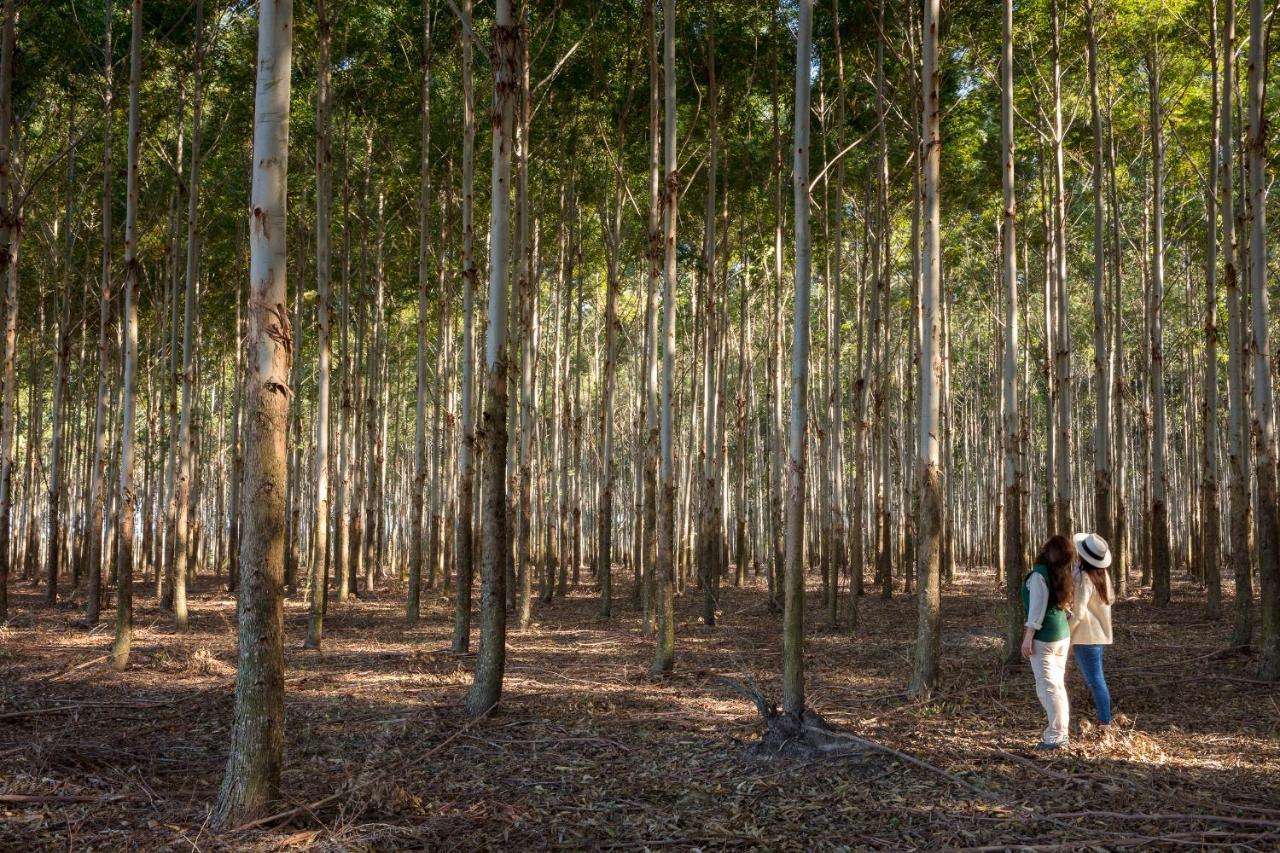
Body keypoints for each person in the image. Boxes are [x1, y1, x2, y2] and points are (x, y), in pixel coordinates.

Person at [1021, 534, 1075, 750]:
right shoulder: (1060, 573)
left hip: (1045, 640)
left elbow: (1036, 608)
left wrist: (1028, 638)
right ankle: (1061, 731)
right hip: (1062, 635)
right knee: (1057, 686)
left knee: (1047, 687)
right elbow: (1062, 604)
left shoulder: (1038, 575)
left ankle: (1056, 735)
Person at [1070, 532, 1114, 730]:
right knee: (1097, 679)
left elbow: (1078, 612)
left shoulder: (1085, 578)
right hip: (1096, 635)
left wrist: (1066, 634)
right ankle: (1105, 720)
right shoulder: (1101, 574)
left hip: (1086, 635)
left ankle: (1105, 722)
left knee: (1096, 680)